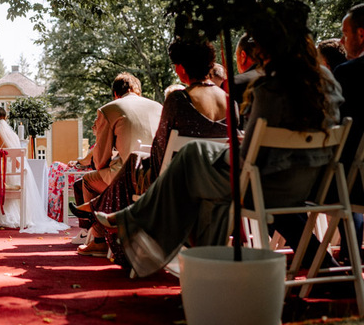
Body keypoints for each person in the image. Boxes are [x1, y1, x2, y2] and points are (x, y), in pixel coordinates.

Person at [94, 29, 345, 278]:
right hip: (312, 183)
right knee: (199, 169)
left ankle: (142, 227)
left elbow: (248, 158)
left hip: (265, 186)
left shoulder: (270, 87)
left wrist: (230, 151)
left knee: (193, 158)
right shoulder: (327, 80)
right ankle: (199, 267)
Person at [70, 39, 230, 260]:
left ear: (181, 69)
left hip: (176, 183)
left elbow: (161, 150)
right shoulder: (229, 101)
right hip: (219, 181)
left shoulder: (179, 99)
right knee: (135, 161)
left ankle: (103, 214)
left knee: (135, 160)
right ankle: (104, 210)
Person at [70, 73, 163, 236]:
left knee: (87, 181)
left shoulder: (109, 109)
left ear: (115, 94)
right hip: (159, 176)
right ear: (138, 91)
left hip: (128, 178)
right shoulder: (159, 107)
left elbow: (99, 161)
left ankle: (95, 237)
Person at [0, 106, 69, 234]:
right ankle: (19, 217)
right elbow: (17, 164)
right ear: (5, 119)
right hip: (7, 178)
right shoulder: (12, 136)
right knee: (21, 176)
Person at [333, 3, 364, 263]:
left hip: (354, 185)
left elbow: (336, 125)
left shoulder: (348, 73)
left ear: (361, 35)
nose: (342, 40)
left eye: (345, 33)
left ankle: (330, 258)